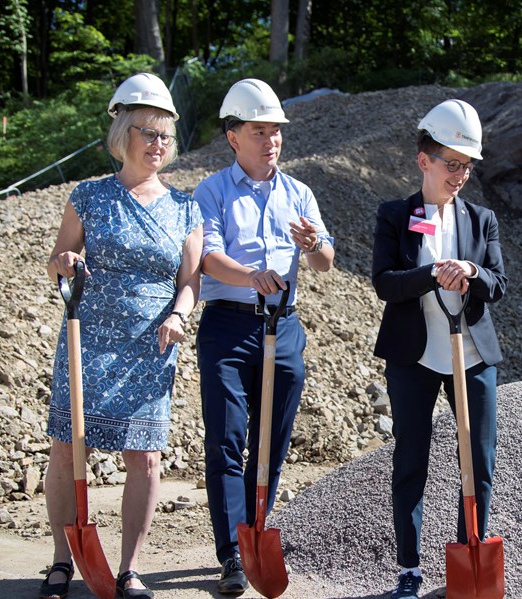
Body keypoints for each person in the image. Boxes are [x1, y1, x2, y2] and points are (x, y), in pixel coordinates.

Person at [42, 72, 202, 599]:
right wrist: (65, 263)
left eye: (164, 136)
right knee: (67, 451)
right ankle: (63, 562)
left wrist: (179, 315)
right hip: (86, 339)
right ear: (123, 136)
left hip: (150, 345)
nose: (157, 145)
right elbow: (58, 262)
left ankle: (129, 568)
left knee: (147, 457)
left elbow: (189, 283)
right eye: (147, 133)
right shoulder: (87, 196)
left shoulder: (186, 208)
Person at [195, 78, 335, 596]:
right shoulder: (211, 190)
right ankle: (231, 552)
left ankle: (255, 531)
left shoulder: (299, 193)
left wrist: (315, 242)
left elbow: (324, 263)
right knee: (228, 440)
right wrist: (249, 276)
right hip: (228, 326)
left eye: (276, 131)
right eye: (260, 131)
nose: (271, 140)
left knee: (272, 442)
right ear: (234, 136)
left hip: (286, 325)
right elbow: (208, 256)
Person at [371, 99, 507, 599]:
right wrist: (430, 274)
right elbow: (384, 283)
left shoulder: (481, 219)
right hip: (414, 356)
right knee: (411, 458)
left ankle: (470, 552)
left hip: (472, 354)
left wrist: (470, 273)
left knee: (479, 458)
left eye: (467, 165)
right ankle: (409, 568)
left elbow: (498, 282)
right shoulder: (394, 215)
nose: (461, 175)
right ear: (423, 160)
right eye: (452, 163)